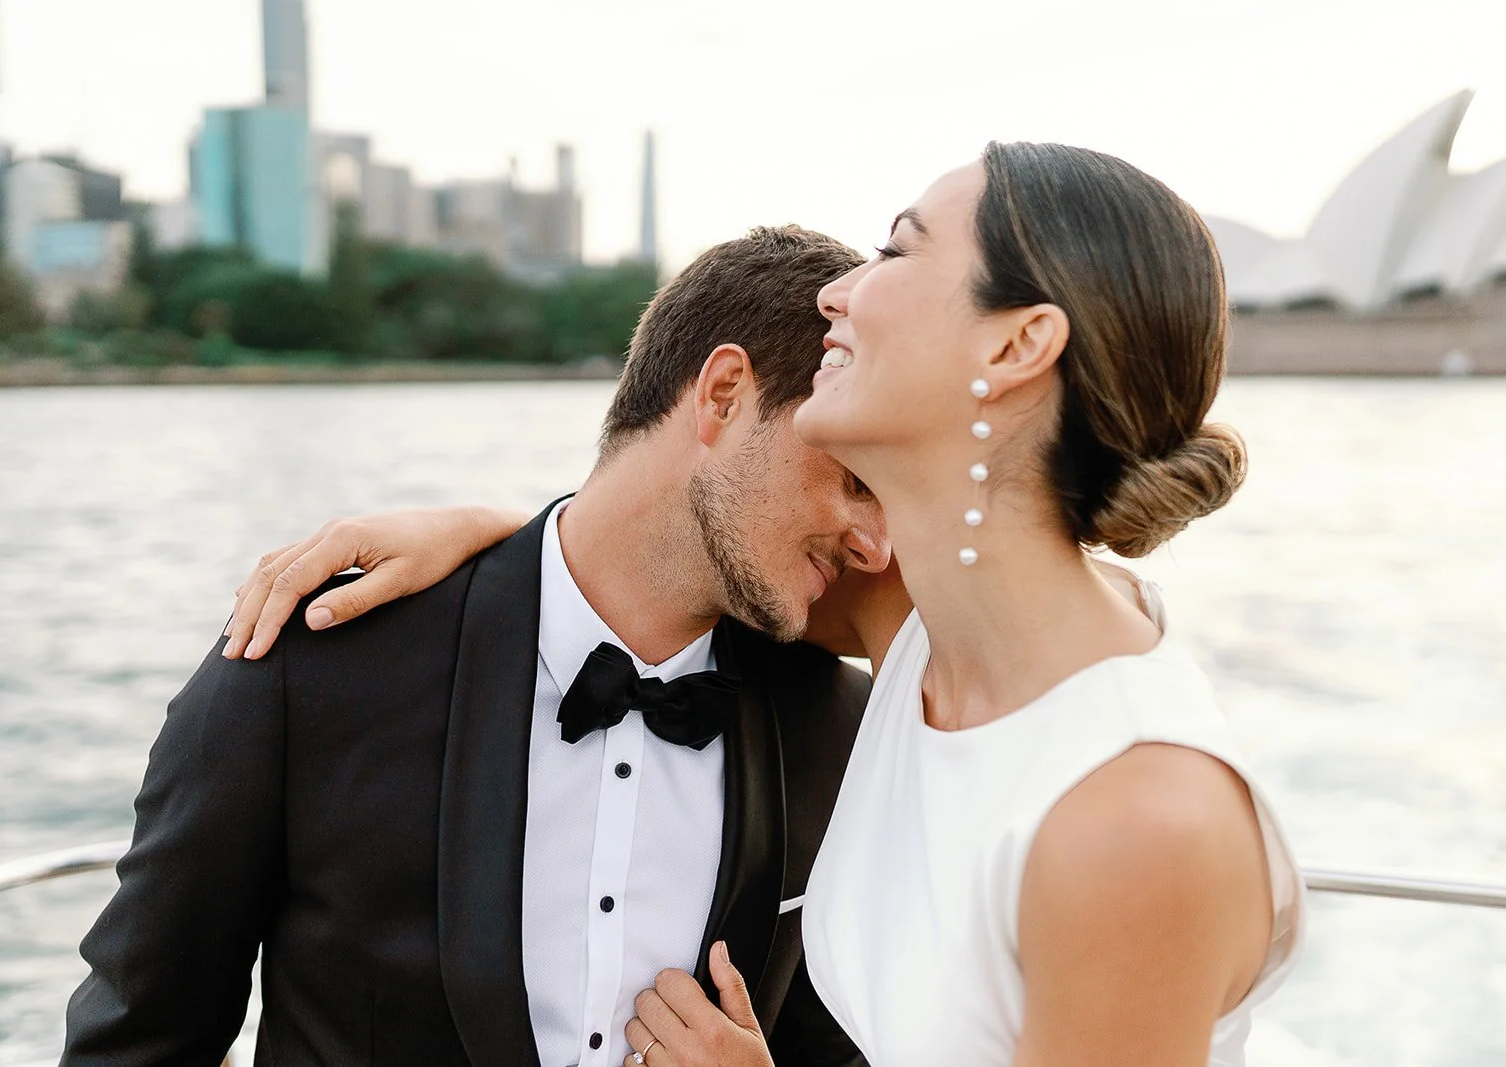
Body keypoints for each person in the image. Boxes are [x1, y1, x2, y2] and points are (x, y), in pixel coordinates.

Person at [228, 142, 1303, 1067]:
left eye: (896, 249)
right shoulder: (919, 634)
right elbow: (662, 544)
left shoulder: (1134, 821)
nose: (838, 291)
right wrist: (496, 542)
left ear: (1016, 343)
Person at [63, 226, 898, 1067]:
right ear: (722, 395)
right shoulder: (314, 662)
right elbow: (137, 1044)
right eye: (856, 480)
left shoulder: (837, 725)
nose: (876, 542)